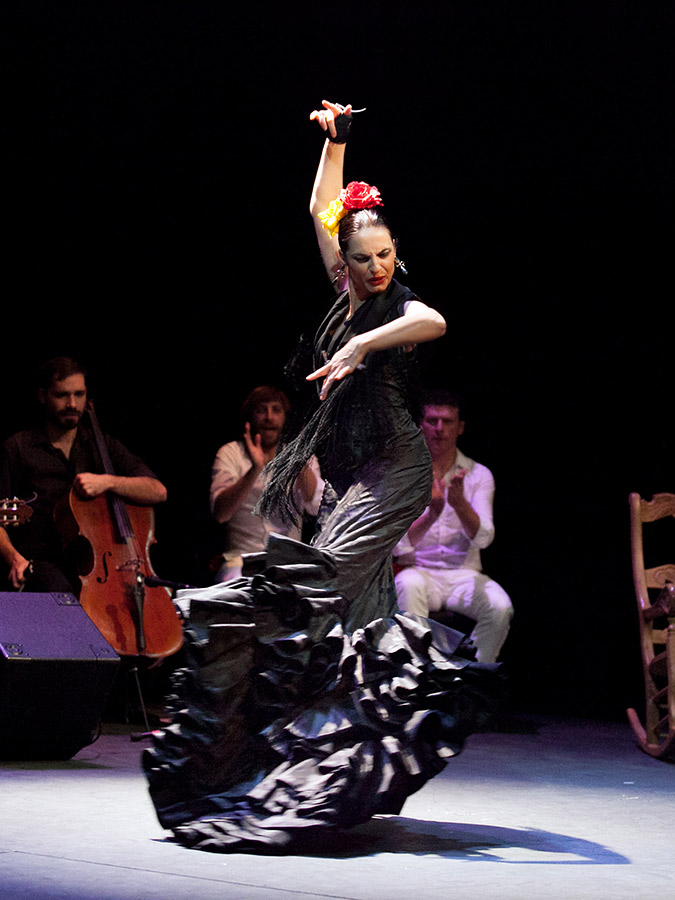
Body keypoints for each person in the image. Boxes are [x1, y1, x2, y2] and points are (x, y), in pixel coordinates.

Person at [143, 100, 502, 853]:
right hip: (345, 473)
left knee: (309, 586)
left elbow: (434, 321)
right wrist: (336, 142)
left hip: (393, 470)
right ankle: (340, 772)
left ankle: (253, 743)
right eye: (361, 257)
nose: (373, 267)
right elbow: (320, 209)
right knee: (362, 628)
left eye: (383, 254)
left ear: (395, 252)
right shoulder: (343, 287)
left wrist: (364, 345)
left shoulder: (397, 306)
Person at [0, 356, 168, 594]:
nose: (72, 404)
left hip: (100, 564)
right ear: (43, 396)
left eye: (79, 394)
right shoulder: (18, 448)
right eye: (61, 395)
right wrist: (15, 559)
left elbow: (158, 491)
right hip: (41, 564)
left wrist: (108, 482)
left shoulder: (102, 445)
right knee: (56, 588)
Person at [394, 389, 513, 663]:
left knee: (500, 607)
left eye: (447, 421)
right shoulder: (406, 474)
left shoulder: (478, 474)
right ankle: (416, 675)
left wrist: (460, 506)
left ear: (460, 427)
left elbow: (484, 538)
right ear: (421, 425)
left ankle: (472, 677)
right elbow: (398, 547)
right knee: (407, 585)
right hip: (419, 571)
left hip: (463, 574)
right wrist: (432, 513)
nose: (440, 429)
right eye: (432, 421)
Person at [209, 385, 323, 582]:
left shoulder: (303, 458)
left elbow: (316, 507)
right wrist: (254, 470)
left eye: (276, 410)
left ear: (285, 418)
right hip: (240, 562)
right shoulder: (231, 453)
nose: (269, 417)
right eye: (262, 410)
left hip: (288, 563)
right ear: (250, 416)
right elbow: (221, 514)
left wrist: (299, 458)